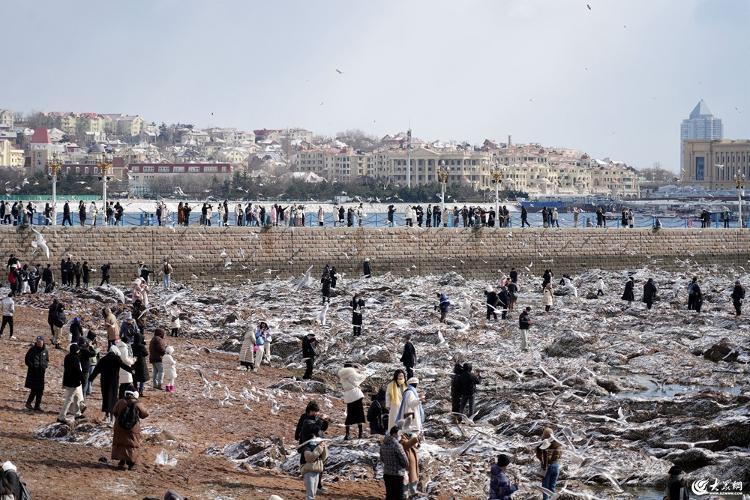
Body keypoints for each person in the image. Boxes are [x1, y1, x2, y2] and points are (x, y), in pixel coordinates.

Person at [89, 345, 133, 424]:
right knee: (113, 399)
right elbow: (124, 366)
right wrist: (132, 371)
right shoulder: (116, 359)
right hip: (113, 382)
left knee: (106, 398)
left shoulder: (103, 359)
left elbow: (96, 370)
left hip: (104, 382)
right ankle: (112, 419)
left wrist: (90, 378)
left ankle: (107, 415)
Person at [111, 391, 148, 470]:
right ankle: (131, 463)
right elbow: (145, 414)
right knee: (132, 444)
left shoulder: (120, 401)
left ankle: (122, 461)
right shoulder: (138, 403)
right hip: (133, 428)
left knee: (121, 442)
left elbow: (114, 412)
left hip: (119, 426)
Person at [58, 343, 86, 423]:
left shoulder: (67, 357)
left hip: (69, 381)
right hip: (73, 382)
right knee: (69, 399)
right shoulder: (75, 358)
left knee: (77, 397)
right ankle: (61, 416)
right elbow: (78, 370)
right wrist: (82, 379)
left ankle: (77, 414)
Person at [338, 362, 367, 440]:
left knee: (349, 414)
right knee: (359, 413)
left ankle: (347, 434)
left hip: (348, 395)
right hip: (356, 394)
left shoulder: (342, 374)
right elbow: (360, 378)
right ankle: (360, 433)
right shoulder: (351, 372)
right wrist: (362, 371)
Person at [380, 426, 409, 500]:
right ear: (395, 434)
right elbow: (405, 462)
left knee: (389, 495)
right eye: (399, 434)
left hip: (387, 474)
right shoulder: (397, 446)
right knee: (398, 496)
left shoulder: (383, 444)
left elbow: (382, 459)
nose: (400, 436)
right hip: (397, 475)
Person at [535, 428, 563, 500]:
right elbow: (560, 455)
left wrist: (542, 460)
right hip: (556, 466)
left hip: (547, 467)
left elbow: (538, 455)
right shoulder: (558, 444)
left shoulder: (543, 443)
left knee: (545, 488)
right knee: (552, 487)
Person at [24, 336, 49, 411]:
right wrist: (32, 367)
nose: (39, 343)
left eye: (40, 342)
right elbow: (27, 360)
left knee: (40, 390)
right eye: (38, 342)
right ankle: (28, 403)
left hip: (41, 373)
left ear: (43, 342)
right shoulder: (32, 350)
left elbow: (47, 360)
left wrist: (45, 366)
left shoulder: (45, 351)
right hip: (33, 374)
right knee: (34, 389)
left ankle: (37, 406)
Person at [400, 431, 421, 497]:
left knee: (413, 481)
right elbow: (407, 445)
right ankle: (405, 496)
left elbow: (416, 446)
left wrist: (417, 441)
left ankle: (413, 495)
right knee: (405, 483)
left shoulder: (408, 437)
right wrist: (415, 439)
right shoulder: (401, 439)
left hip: (412, 466)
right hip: (406, 467)